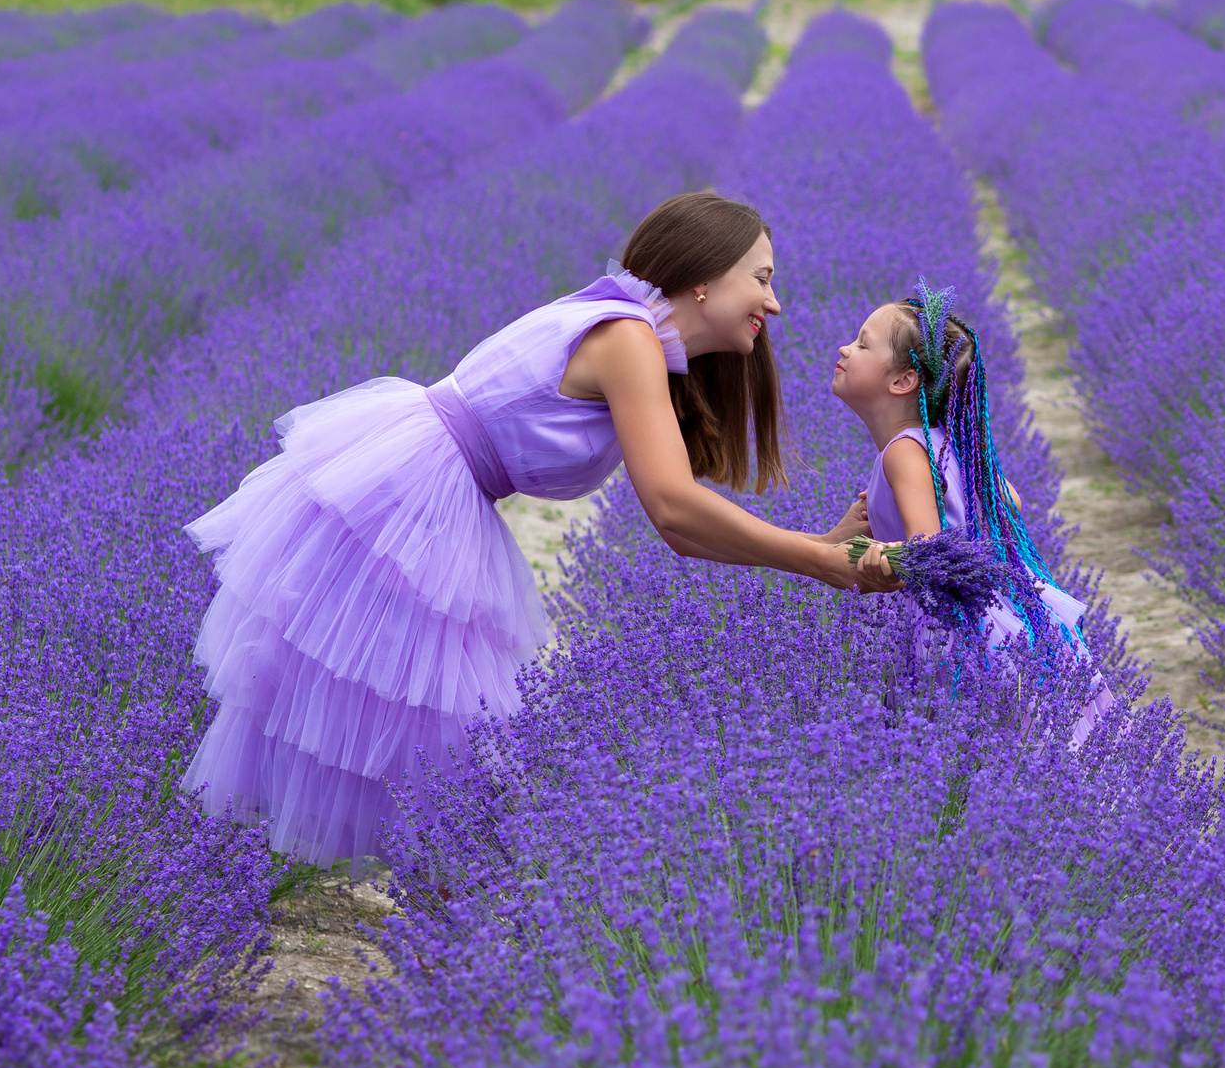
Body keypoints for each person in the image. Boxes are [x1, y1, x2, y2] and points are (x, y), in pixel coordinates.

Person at [184, 191, 879, 863]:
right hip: (410, 497)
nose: (775, 302)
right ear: (703, 279)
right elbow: (672, 508)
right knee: (435, 736)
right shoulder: (626, 337)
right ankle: (422, 914)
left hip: (429, 490)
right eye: (762, 278)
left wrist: (818, 548)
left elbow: (682, 521)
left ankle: (425, 910)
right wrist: (817, 561)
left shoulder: (637, 338)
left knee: (427, 733)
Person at [831, 284, 1104, 698]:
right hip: (997, 612)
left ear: (904, 380)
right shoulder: (947, 443)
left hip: (947, 629)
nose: (845, 348)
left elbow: (929, 546)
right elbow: (1007, 498)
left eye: (862, 344)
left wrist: (888, 556)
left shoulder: (902, 452)